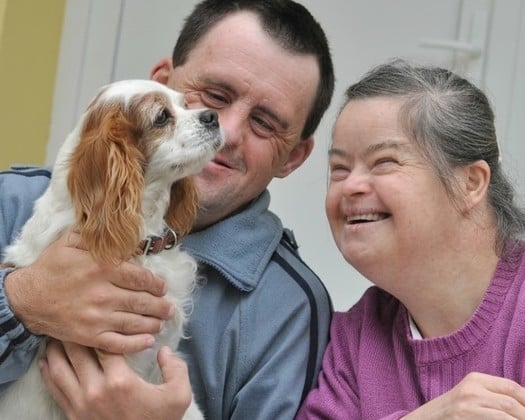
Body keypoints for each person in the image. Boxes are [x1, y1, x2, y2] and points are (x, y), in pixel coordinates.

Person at [0, 1, 334, 419]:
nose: (227, 132)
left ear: (293, 157)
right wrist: (20, 301)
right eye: (214, 96)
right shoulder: (11, 202)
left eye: (264, 123)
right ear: (159, 83)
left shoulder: (290, 308)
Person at [296, 59, 525, 419]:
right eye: (339, 169)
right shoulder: (358, 335)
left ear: (470, 183)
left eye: (384, 162)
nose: (351, 185)